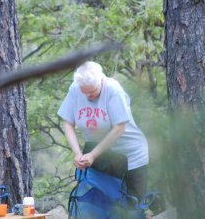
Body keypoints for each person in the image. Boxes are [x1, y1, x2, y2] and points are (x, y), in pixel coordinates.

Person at [57, 61, 149, 202]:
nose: (88, 96)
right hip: (104, 157)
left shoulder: (113, 90)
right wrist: (77, 153)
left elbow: (119, 128)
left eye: (92, 92)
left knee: (132, 208)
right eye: (84, 92)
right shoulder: (75, 88)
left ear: (101, 80)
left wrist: (93, 155)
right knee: (101, 205)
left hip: (131, 156)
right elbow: (68, 122)